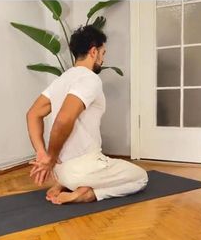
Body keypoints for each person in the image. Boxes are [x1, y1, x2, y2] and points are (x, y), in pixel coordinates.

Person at [27, 25, 148, 204]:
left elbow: (33, 114)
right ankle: (86, 193)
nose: (103, 59)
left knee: (92, 167)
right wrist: (49, 157)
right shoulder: (90, 78)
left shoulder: (62, 79)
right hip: (83, 168)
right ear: (93, 52)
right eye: (103, 53)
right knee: (140, 177)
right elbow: (63, 120)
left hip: (61, 171)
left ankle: (65, 184)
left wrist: (41, 154)